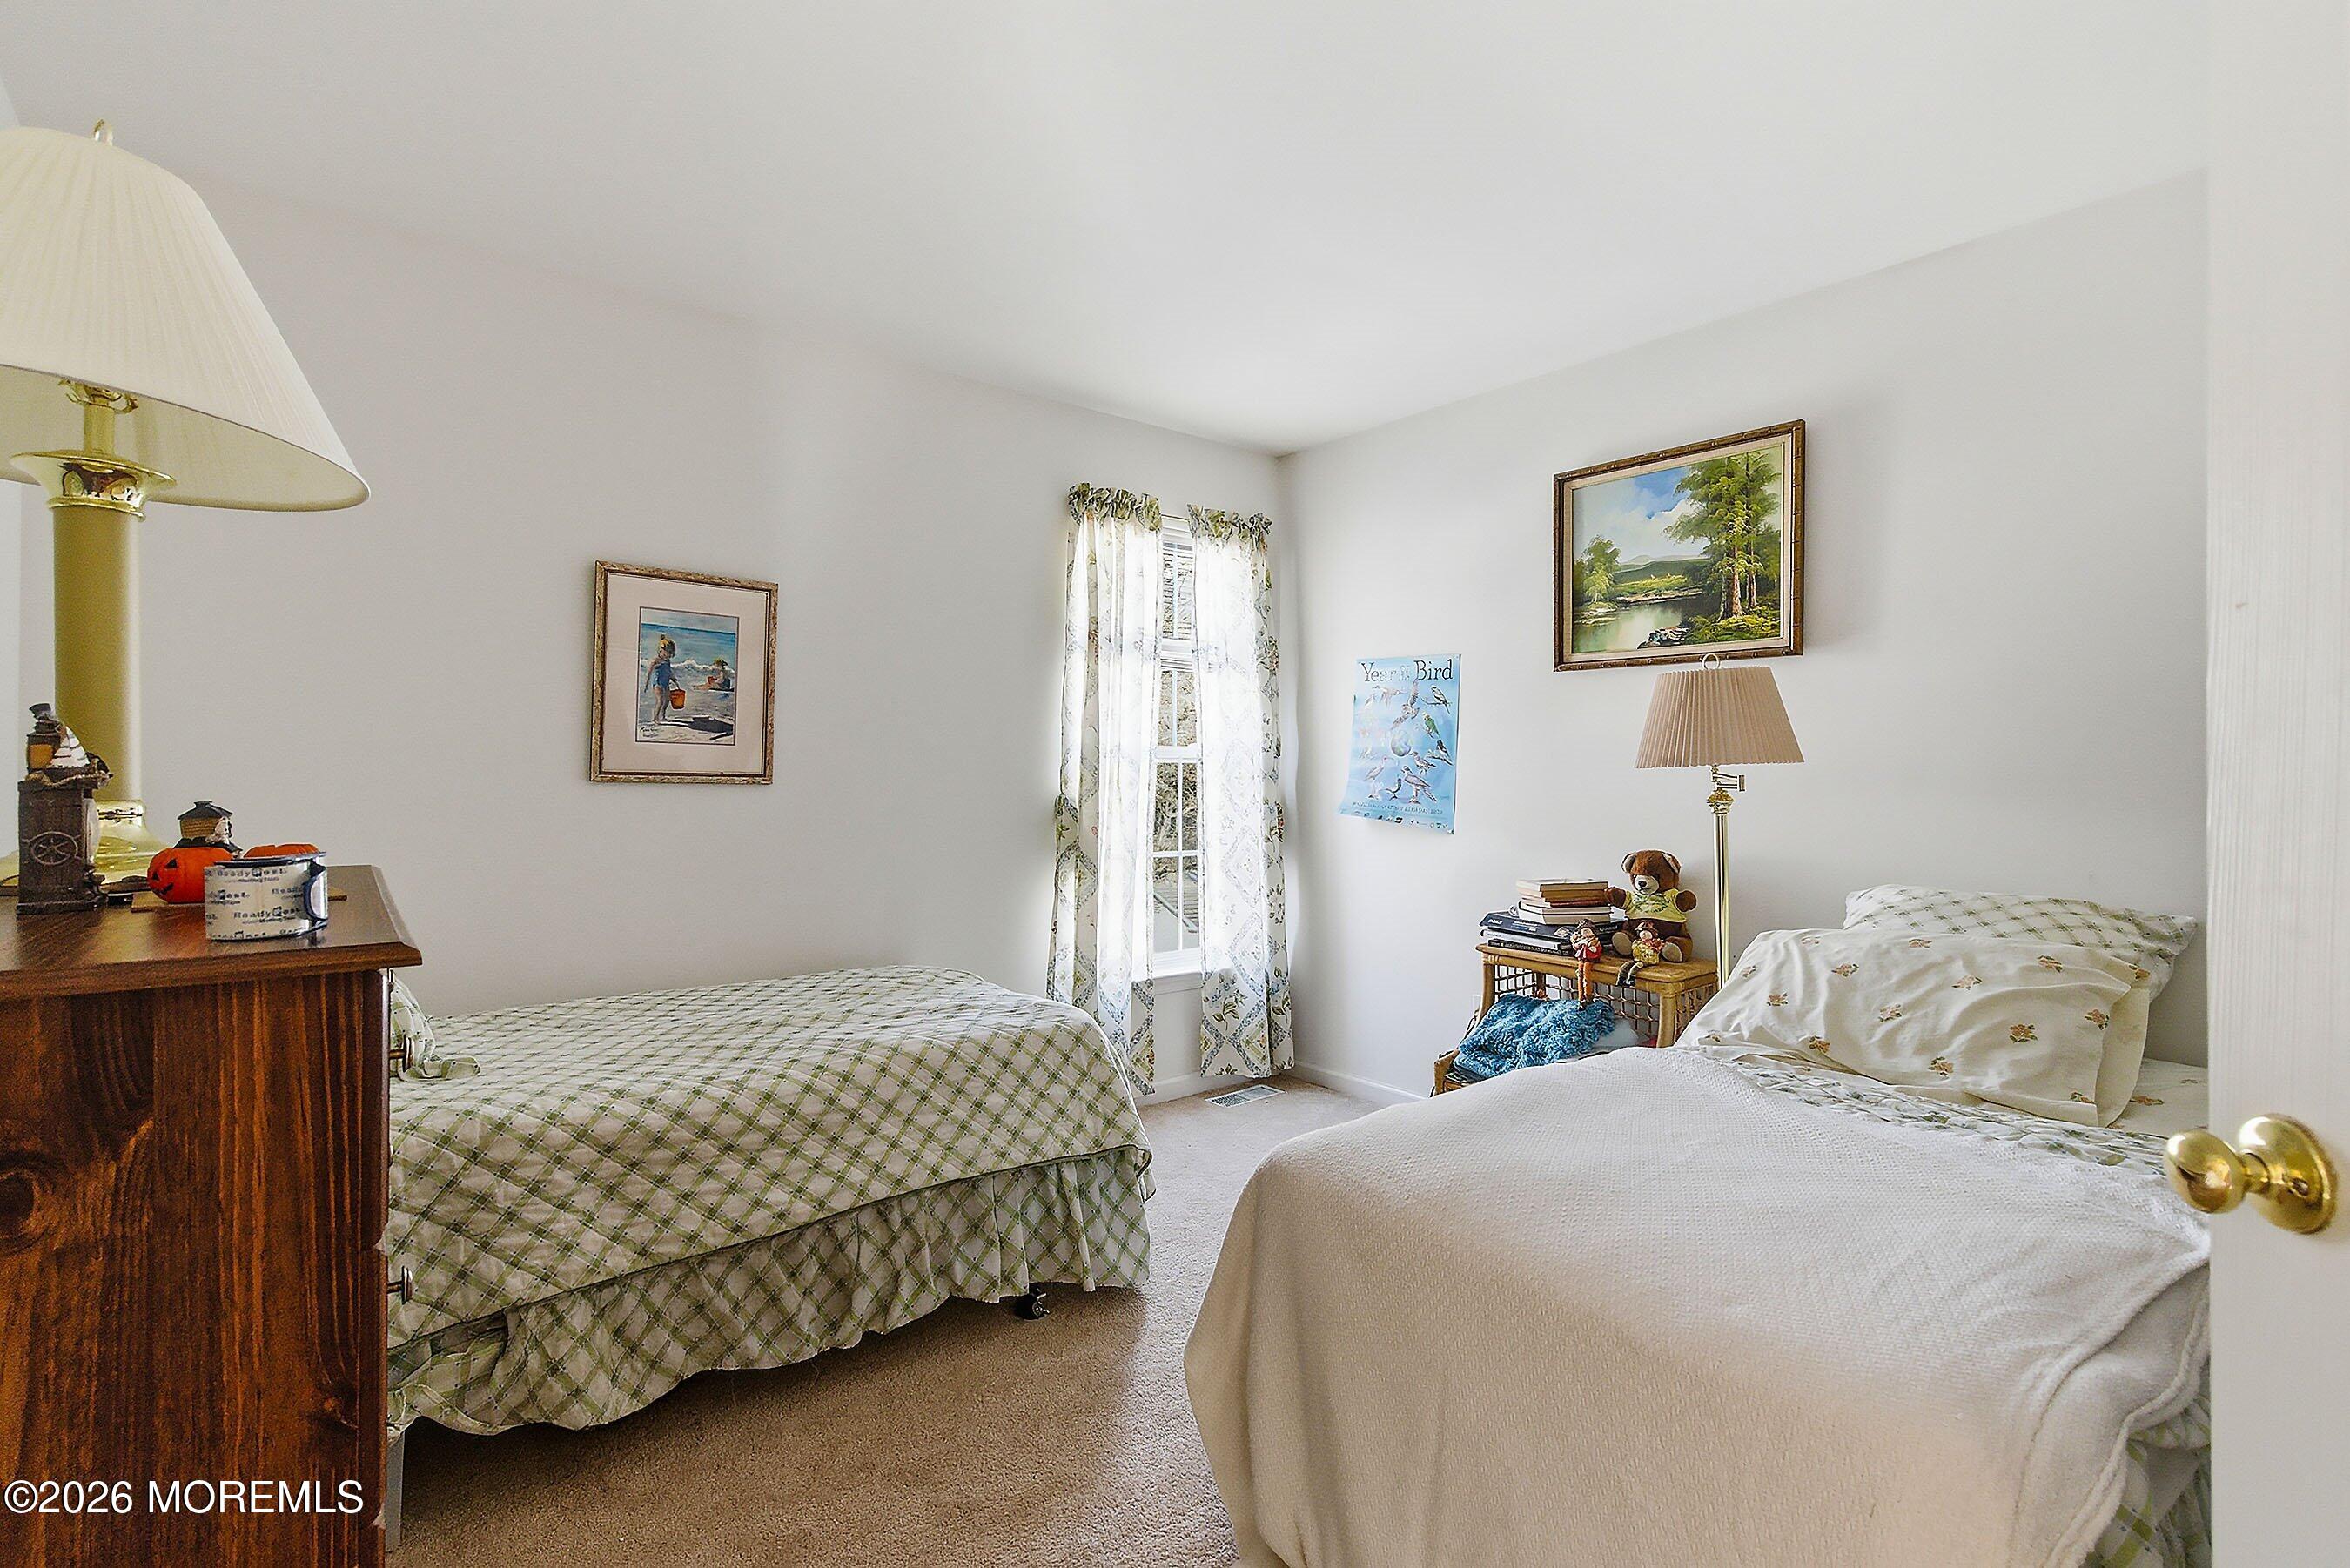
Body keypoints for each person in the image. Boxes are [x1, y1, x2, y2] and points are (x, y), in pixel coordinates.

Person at [643, 634, 679, 726]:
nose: (669, 655)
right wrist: (646, 684)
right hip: (658, 684)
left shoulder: (667, 661)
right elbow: (649, 673)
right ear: (661, 651)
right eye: (668, 653)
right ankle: (655, 718)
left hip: (666, 683)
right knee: (660, 701)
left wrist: (673, 678)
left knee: (667, 700)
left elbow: (668, 671)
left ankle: (663, 716)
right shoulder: (656, 661)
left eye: (671, 653)